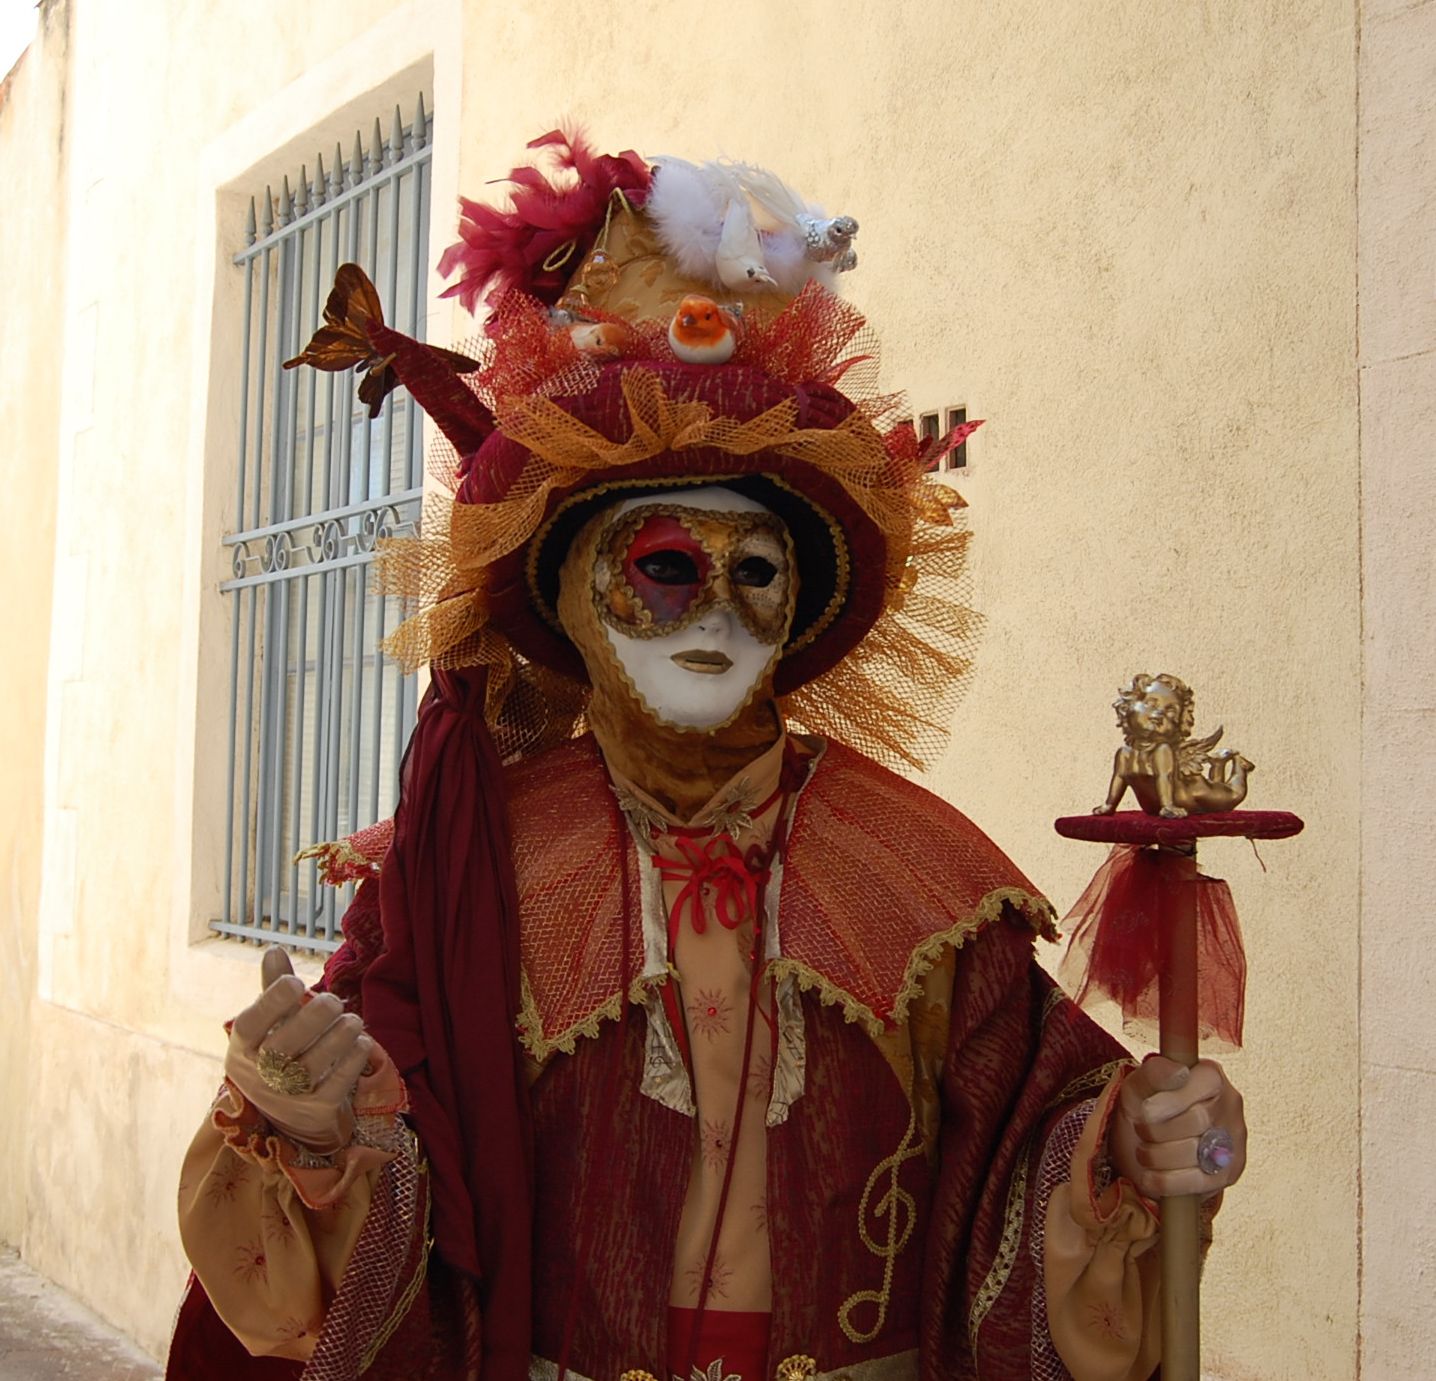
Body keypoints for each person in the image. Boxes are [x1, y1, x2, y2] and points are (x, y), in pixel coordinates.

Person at [167, 133, 1246, 1381]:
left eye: (755, 573)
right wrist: (306, 1127)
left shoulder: (918, 877)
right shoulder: (474, 870)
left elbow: (1038, 1130)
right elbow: (395, 1182)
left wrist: (1143, 1147)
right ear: (570, 593)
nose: (716, 613)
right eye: (665, 567)